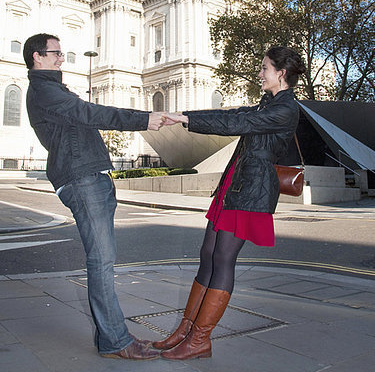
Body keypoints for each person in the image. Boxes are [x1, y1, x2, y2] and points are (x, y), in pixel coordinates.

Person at [155, 46, 306, 360]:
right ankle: (185, 330)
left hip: (251, 191)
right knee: (207, 254)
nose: (260, 73)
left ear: (281, 73)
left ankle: (200, 339)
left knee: (223, 259)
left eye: (264, 68)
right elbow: (231, 115)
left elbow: (234, 125)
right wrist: (185, 117)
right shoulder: (268, 103)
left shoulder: (286, 109)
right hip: (234, 185)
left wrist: (185, 118)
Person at [23, 33, 162, 360]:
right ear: (37, 57)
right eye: (56, 53)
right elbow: (92, 113)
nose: (62, 58)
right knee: (101, 262)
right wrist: (145, 119)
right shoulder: (44, 91)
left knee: (104, 260)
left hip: (89, 175)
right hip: (81, 178)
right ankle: (115, 341)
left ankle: (113, 336)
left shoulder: (53, 89)